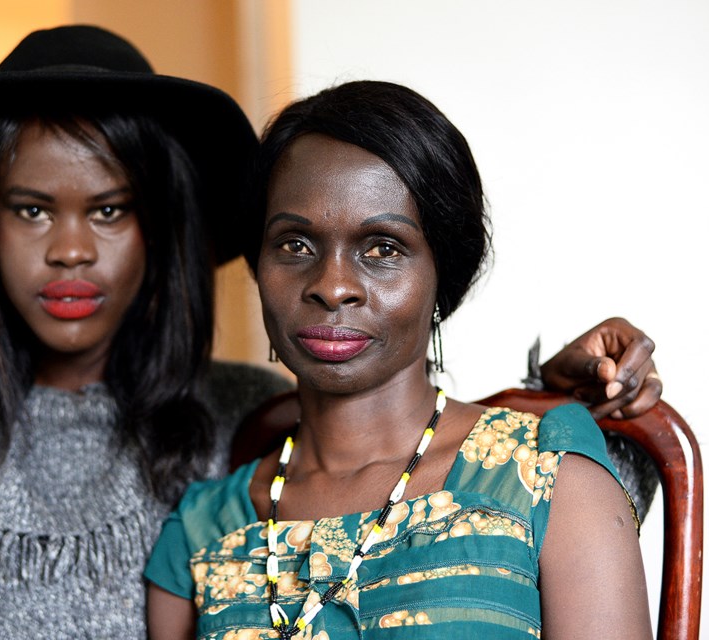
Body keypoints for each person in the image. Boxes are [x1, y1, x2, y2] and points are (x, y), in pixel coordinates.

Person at [0, 26, 658, 640]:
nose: (69, 249)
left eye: (111, 209)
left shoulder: (245, 410)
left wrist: (563, 395)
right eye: (30, 208)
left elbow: (419, 460)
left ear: (165, 231)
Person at [145, 81, 653, 639]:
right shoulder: (202, 531)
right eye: (295, 244)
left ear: (443, 276)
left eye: (383, 248)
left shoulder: (545, 476)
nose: (332, 286)